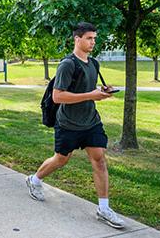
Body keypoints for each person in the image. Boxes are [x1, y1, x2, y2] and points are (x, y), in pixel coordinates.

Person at [26, 22, 125, 229]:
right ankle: (34, 180)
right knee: (61, 160)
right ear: (77, 39)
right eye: (89, 38)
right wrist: (91, 95)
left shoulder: (94, 63)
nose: (93, 42)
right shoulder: (67, 64)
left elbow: (88, 88)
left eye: (95, 38)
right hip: (68, 124)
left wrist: (103, 90)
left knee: (99, 160)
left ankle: (104, 209)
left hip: (91, 121)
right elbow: (58, 96)